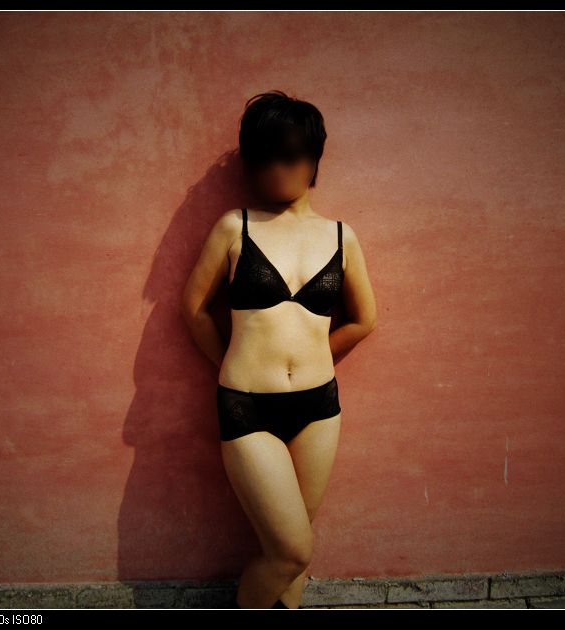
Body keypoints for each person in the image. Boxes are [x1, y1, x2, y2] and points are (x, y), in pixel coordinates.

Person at [180, 90, 377, 608]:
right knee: (292, 550)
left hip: (318, 408)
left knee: (293, 553)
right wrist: (227, 362)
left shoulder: (341, 236)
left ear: (313, 159)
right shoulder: (235, 227)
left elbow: (364, 319)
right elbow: (194, 309)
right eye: (262, 157)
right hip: (247, 406)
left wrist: (316, 357)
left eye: (288, 155)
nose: (276, 169)